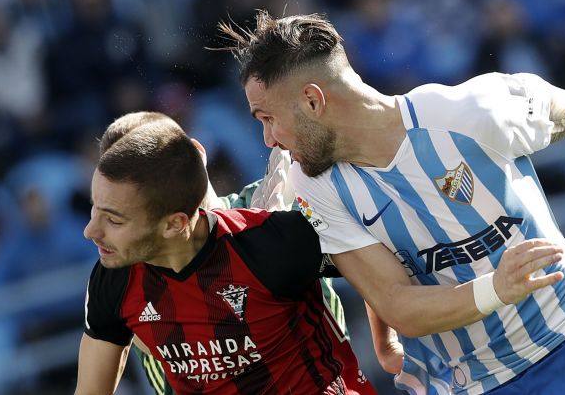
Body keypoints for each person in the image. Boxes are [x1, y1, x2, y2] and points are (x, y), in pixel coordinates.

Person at [220, 11, 565, 395]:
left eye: (267, 118)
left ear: (312, 101)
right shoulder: (315, 189)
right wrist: (496, 288)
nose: (267, 140)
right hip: (473, 383)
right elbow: (399, 303)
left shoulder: (468, 114)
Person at [74, 111, 375, 395]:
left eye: (114, 218)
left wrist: (386, 342)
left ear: (195, 153)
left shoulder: (269, 234)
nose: (90, 231)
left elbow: (380, 253)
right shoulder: (119, 274)